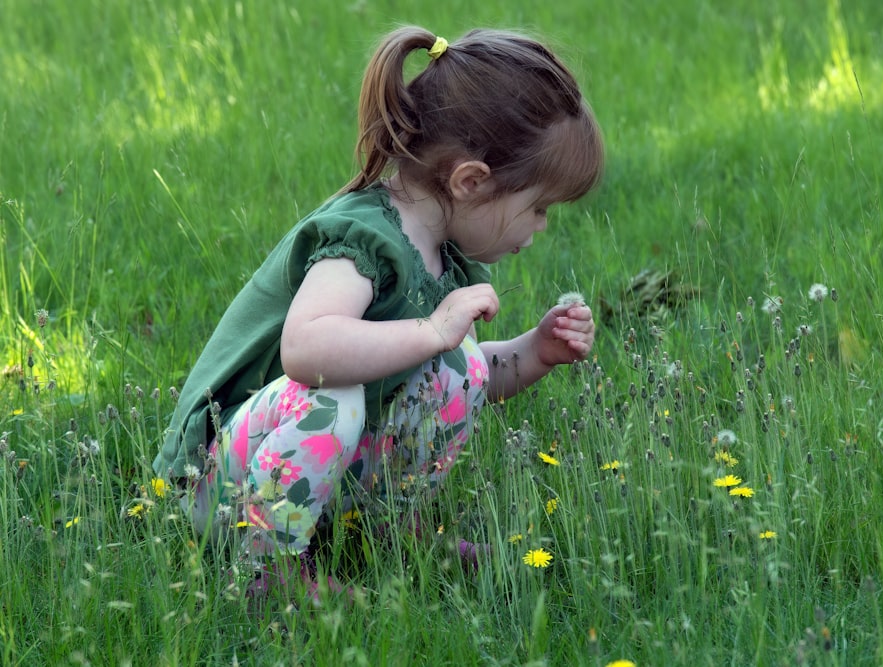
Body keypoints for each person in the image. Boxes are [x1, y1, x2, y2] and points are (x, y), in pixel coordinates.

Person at [154, 25, 603, 607]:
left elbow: (465, 371)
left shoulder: (447, 258)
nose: (540, 227)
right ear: (470, 182)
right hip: (221, 486)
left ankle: (386, 531)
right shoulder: (361, 238)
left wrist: (536, 351)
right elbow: (307, 352)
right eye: (537, 207)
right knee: (334, 393)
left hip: (295, 475)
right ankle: (268, 572)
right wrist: (433, 329)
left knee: (460, 370)